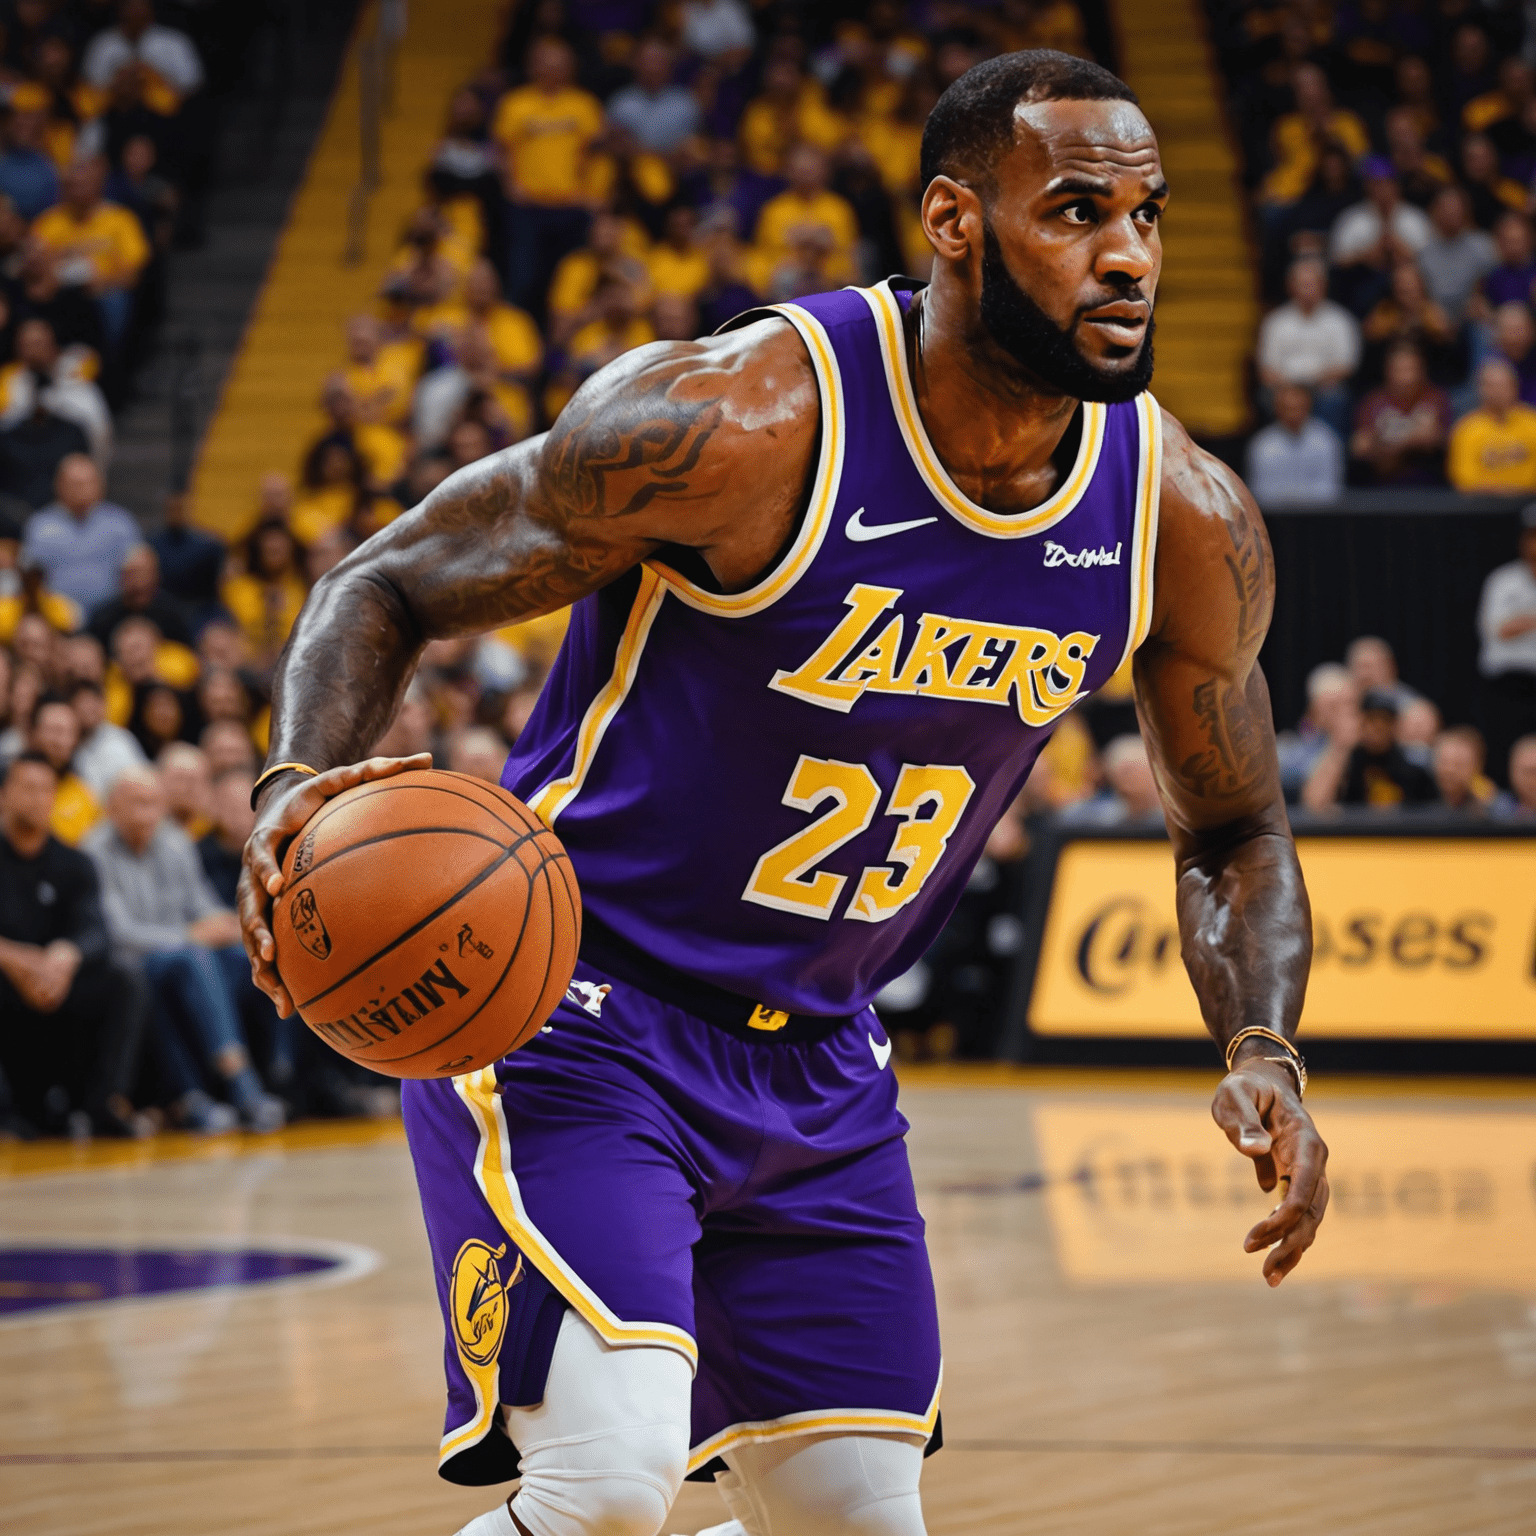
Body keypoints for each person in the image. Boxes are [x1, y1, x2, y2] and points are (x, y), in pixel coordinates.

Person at [238, 53, 1328, 1536]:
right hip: (573, 1001)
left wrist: (1262, 1040)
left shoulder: (1175, 515)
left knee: (858, 1523)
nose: (1127, 253)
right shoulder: (743, 423)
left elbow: (1236, 827)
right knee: (605, 1484)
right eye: (1077, 211)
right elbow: (387, 580)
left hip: (821, 1063)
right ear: (956, 221)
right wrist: (296, 788)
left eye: (1146, 214)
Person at [86, 767, 283, 1133]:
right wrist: (189, 935)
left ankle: (276, 1075)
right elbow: (119, 932)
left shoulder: (175, 842)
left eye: (151, 804)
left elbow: (203, 905)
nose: (146, 814)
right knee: (187, 961)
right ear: (112, 808)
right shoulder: (94, 851)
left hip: (186, 960)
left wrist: (223, 923)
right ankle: (238, 1084)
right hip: (130, 965)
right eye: (136, 804)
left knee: (244, 959)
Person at [0, 751, 148, 1139]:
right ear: (4, 796)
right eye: (27, 788)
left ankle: (104, 1103)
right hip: (7, 988)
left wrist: (64, 957)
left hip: (57, 986)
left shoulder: (74, 862)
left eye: (46, 789)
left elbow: (96, 930)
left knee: (124, 980)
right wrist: (17, 960)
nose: (38, 798)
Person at [1255, 256, 1360, 437]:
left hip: (1323, 388)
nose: (1308, 289)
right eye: (1303, 284)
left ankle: (1331, 453)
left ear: (1323, 285)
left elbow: (1346, 366)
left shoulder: (1340, 320)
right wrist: (1289, 389)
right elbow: (1266, 368)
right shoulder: (1275, 321)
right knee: (1266, 398)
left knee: (1335, 399)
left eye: (1312, 283)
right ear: (1291, 286)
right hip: (1284, 387)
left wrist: (1311, 385)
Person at [20, 454, 139, 612]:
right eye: (75, 484)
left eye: (87, 483)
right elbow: (28, 576)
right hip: (55, 618)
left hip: (112, 616)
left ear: (101, 485)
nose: (81, 489)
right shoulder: (40, 526)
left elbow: (139, 574)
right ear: (58, 485)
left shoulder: (121, 523)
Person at [1476, 502, 1536, 783]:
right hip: (1507, 687)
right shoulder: (1503, 581)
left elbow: (1514, 625)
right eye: (1531, 536)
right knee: (1505, 756)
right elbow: (1498, 630)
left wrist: (1523, 621)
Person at [1302, 688, 1438, 809]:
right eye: (1371, 719)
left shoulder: (1412, 768)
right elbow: (1314, 804)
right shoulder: (1347, 761)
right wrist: (1340, 748)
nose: (1378, 727)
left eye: (1385, 720)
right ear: (1360, 722)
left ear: (1396, 725)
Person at [1349, 342, 1451, 486]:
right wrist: (1410, 442)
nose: (1405, 378)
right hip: (1380, 485)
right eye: (1399, 370)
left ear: (1422, 371)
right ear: (1387, 371)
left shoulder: (1436, 398)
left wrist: (1385, 445)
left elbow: (1435, 440)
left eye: (1410, 369)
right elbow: (1360, 447)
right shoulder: (1372, 401)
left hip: (1428, 485)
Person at [1447, 358, 1536, 493]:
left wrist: (1515, 491)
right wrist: (1500, 491)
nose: (1498, 392)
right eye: (1492, 386)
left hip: (1528, 503)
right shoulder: (1467, 428)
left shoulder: (1532, 422)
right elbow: (1464, 480)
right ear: (1480, 388)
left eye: (1504, 385)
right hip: (1482, 507)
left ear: (1515, 387)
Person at [87, 542, 193, 649]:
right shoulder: (103, 618)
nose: (136, 582)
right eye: (129, 574)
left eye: (141, 573)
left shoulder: (173, 614)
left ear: (155, 575)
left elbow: (186, 653)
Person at [606, 38, 702, 156]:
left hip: (676, 169)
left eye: (658, 61)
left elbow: (693, 144)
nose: (652, 67)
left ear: (669, 66)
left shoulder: (686, 103)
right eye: (647, 62)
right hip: (634, 168)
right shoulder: (621, 103)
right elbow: (613, 145)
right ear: (636, 65)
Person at [1430, 725, 1497, 812]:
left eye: (1459, 764)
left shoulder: (1491, 804)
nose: (1449, 770)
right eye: (1444, 762)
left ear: (1477, 766)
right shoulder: (1416, 798)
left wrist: (1490, 803)